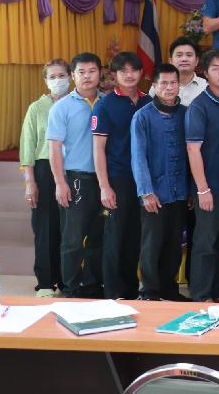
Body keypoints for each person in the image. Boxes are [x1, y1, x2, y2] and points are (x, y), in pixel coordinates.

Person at [91, 51, 148, 300]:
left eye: (134, 70)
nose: (129, 75)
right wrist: (104, 186)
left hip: (143, 180)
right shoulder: (104, 105)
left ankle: (131, 290)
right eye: (123, 71)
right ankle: (113, 292)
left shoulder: (148, 101)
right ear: (114, 75)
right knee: (115, 236)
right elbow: (98, 149)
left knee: (136, 235)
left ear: (141, 73)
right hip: (118, 178)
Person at [47, 52, 105, 298]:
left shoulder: (107, 102)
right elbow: (54, 148)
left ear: (100, 73)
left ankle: (93, 286)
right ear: (73, 75)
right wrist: (60, 183)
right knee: (72, 239)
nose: (87, 76)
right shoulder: (62, 107)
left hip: (104, 181)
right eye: (81, 72)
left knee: (98, 237)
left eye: (92, 71)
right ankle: (71, 287)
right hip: (76, 179)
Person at [130, 64, 188, 301]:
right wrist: (146, 192)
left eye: (173, 83)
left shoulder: (186, 113)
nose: (169, 87)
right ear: (154, 85)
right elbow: (138, 157)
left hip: (180, 191)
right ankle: (149, 291)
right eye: (163, 83)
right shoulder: (142, 116)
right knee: (151, 244)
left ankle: (169, 289)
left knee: (174, 244)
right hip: (154, 193)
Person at [185, 49, 219, 303]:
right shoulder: (199, 106)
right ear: (205, 73)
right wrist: (202, 189)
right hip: (209, 187)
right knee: (205, 243)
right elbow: (193, 150)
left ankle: (217, 290)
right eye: (215, 68)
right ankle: (201, 294)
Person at [19, 58, 70, 297]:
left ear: (70, 77)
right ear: (45, 80)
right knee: (45, 227)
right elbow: (27, 146)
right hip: (44, 169)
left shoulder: (78, 103)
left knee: (70, 228)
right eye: (52, 77)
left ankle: (67, 279)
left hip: (74, 169)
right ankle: (46, 282)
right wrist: (30, 182)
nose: (58, 80)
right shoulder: (37, 108)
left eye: (62, 75)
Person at [148, 37, 208, 105]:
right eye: (179, 55)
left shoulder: (205, 87)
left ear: (197, 61)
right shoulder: (158, 85)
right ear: (171, 61)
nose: (184, 59)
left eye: (189, 55)